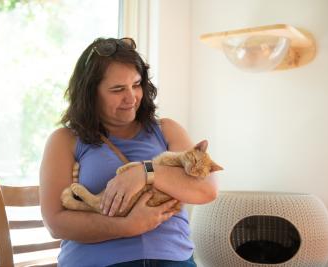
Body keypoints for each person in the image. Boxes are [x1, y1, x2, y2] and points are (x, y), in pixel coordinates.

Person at [39, 37, 219, 267]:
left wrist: (144, 173)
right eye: (117, 89)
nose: (131, 97)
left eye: (136, 85)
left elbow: (207, 190)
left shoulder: (166, 130)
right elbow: (55, 222)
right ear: (90, 93)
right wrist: (127, 227)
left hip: (172, 259)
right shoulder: (65, 140)